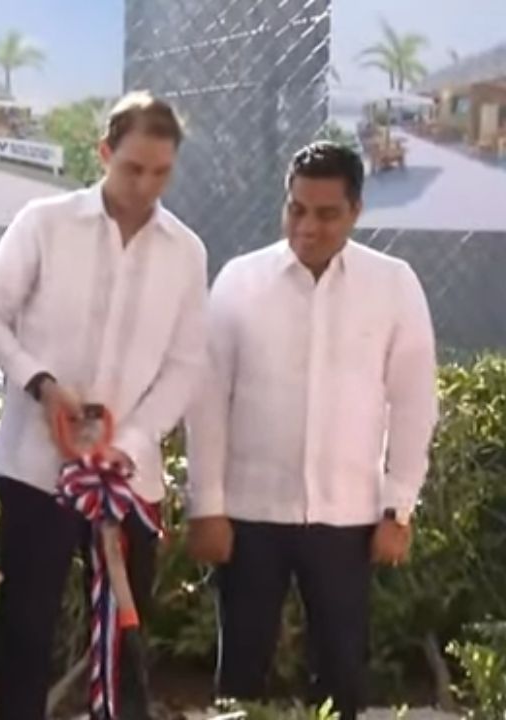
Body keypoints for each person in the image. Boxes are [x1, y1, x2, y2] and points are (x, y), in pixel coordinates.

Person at [0, 91, 208, 720]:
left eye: (161, 172)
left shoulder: (186, 251)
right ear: (103, 153)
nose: (146, 186)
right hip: (36, 469)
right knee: (25, 631)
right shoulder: (44, 223)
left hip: (127, 478)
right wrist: (42, 385)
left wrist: (130, 442)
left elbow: (185, 364)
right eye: (133, 168)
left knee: (124, 629)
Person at [185, 141, 438, 720]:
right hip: (249, 514)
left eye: (326, 214)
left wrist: (398, 508)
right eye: (296, 209)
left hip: (348, 518)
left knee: (343, 673)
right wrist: (207, 507)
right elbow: (207, 401)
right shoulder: (240, 281)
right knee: (241, 674)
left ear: (356, 211)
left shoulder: (393, 285)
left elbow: (414, 402)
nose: (307, 227)